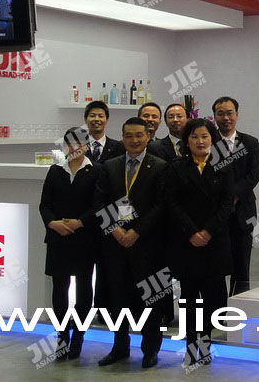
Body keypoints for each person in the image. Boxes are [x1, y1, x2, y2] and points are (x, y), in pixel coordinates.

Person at [94, 117, 168, 369]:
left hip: (148, 245)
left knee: (151, 299)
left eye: (139, 135)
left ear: (147, 136)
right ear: (122, 137)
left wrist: (136, 232)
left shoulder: (160, 166)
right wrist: (116, 231)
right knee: (118, 298)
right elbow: (100, 202)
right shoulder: (109, 166)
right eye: (128, 136)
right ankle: (119, 346)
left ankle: (150, 349)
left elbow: (161, 205)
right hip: (116, 245)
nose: (134, 140)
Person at [165, 118, 234, 367]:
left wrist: (207, 232)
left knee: (211, 298)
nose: (200, 141)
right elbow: (172, 203)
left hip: (214, 242)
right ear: (187, 141)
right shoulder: (176, 167)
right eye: (194, 137)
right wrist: (193, 232)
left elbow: (227, 204)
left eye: (205, 136)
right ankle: (190, 346)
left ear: (212, 139)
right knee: (189, 298)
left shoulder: (224, 166)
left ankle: (205, 345)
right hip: (187, 242)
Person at [38, 127, 102, 360]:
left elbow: (99, 205)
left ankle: (78, 336)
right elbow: (45, 204)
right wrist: (52, 223)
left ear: (86, 146)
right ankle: (62, 335)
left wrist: (80, 222)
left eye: (79, 143)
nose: (75, 147)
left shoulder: (96, 170)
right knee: (59, 288)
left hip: (85, 238)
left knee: (84, 288)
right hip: (59, 238)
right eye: (70, 143)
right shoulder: (55, 170)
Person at [213, 96, 259, 296]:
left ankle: (239, 307)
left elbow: (254, 174)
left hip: (243, 212)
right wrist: (225, 200)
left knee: (241, 265)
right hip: (215, 214)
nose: (226, 118)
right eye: (220, 114)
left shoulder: (250, 142)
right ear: (215, 117)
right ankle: (217, 308)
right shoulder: (208, 141)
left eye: (229, 113)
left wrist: (233, 196)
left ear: (237, 115)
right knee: (215, 267)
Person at [83, 100, 125, 322]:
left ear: (107, 120)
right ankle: (84, 308)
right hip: (85, 213)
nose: (96, 119)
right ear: (86, 119)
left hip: (109, 213)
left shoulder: (118, 146)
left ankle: (104, 307)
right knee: (85, 266)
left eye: (100, 115)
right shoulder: (78, 146)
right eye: (92, 115)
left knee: (107, 265)